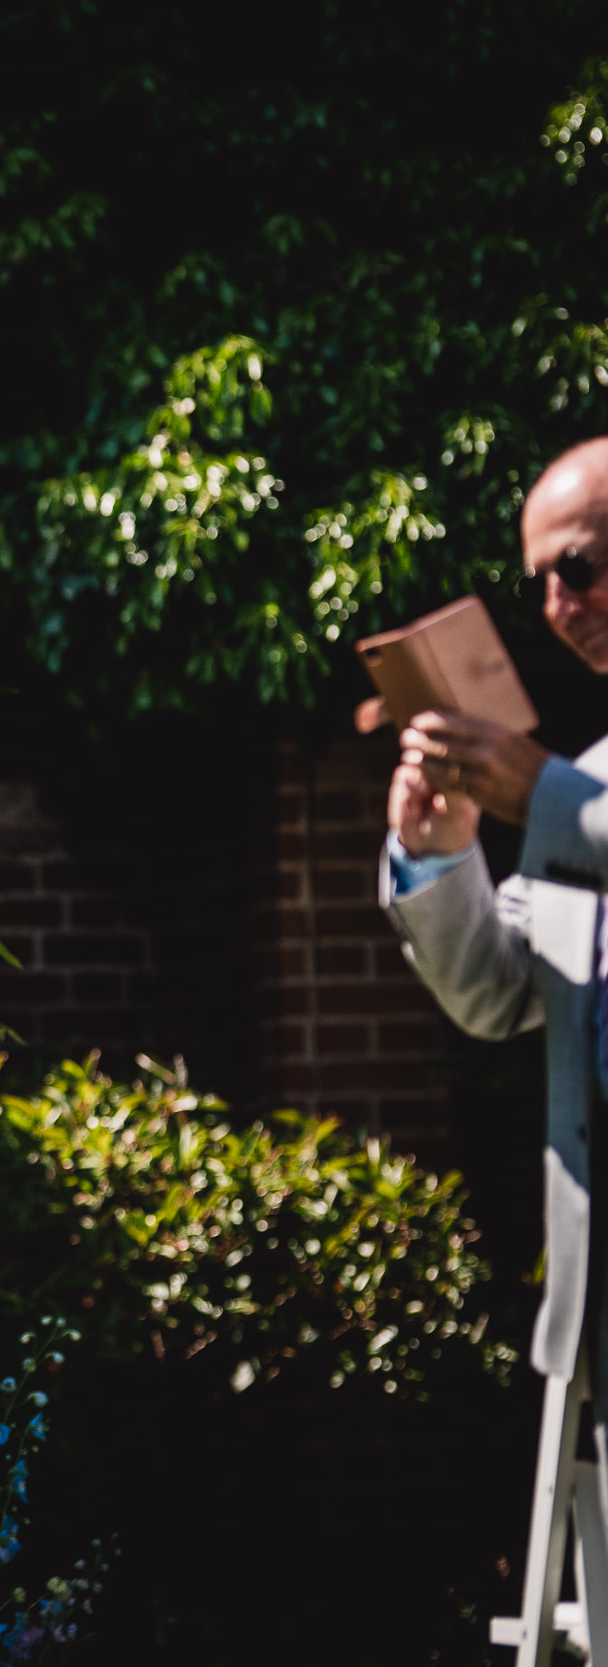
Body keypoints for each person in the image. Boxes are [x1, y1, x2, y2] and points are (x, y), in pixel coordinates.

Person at [381, 437, 608, 1420]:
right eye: (541, 584)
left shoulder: (568, 789)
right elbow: (495, 991)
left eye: (578, 565)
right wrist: (441, 854)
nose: (560, 604)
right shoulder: (589, 772)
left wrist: (541, 795)